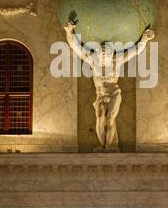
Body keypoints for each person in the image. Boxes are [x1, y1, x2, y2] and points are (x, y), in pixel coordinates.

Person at [64, 20, 155, 151]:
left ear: (111, 53)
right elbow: (75, 46)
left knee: (111, 118)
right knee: (100, 118)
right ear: (98, 53)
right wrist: (69, 31)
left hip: (114, 93)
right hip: (100, 95)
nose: (104, 52)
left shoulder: (116, 61)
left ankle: (109, 147)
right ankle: (103, 146)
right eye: (102, 50)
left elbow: (134, 51)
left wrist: (145, 39)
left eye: (106, 51)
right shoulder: (93, 60)